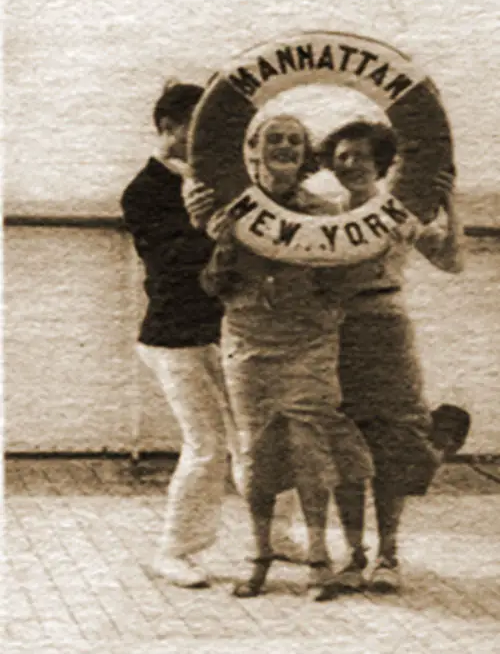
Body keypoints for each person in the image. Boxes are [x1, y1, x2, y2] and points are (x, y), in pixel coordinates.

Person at [186, 114, 375, 600]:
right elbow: (212, 286)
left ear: (305, 152)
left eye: (295, 140)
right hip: (248, 341)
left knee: (311, 450)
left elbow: (345, 284)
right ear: (253, 150)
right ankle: (260, 554)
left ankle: (317, 555)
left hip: (307, 342)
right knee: (254, 452)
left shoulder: (326, 211)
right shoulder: (228, 209)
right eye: (275, 139)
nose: (285, 147)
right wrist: (222, 241)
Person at [316, 120, 469, 595]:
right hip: (338, 335)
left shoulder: (398, 214)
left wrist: (448, 204)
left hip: (387, 331)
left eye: (361, 155)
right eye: (341, 156)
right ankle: (353, 553)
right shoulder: (319, 218)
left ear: (381, 162)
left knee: (392, 445)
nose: (351, 163)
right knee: (344, 447)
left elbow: (452, 260)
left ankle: (387, 553)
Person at [120, 81, 246, 588]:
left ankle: (273, 537)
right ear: (169, 128)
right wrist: (212, 231)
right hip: (173, 336)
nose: (209, 135)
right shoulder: (144, 191)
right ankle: (174, 551)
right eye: (199, 123)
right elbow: (169, 266)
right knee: (207, 444)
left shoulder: (219, 181)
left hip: (222, 331)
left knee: (257, 438)